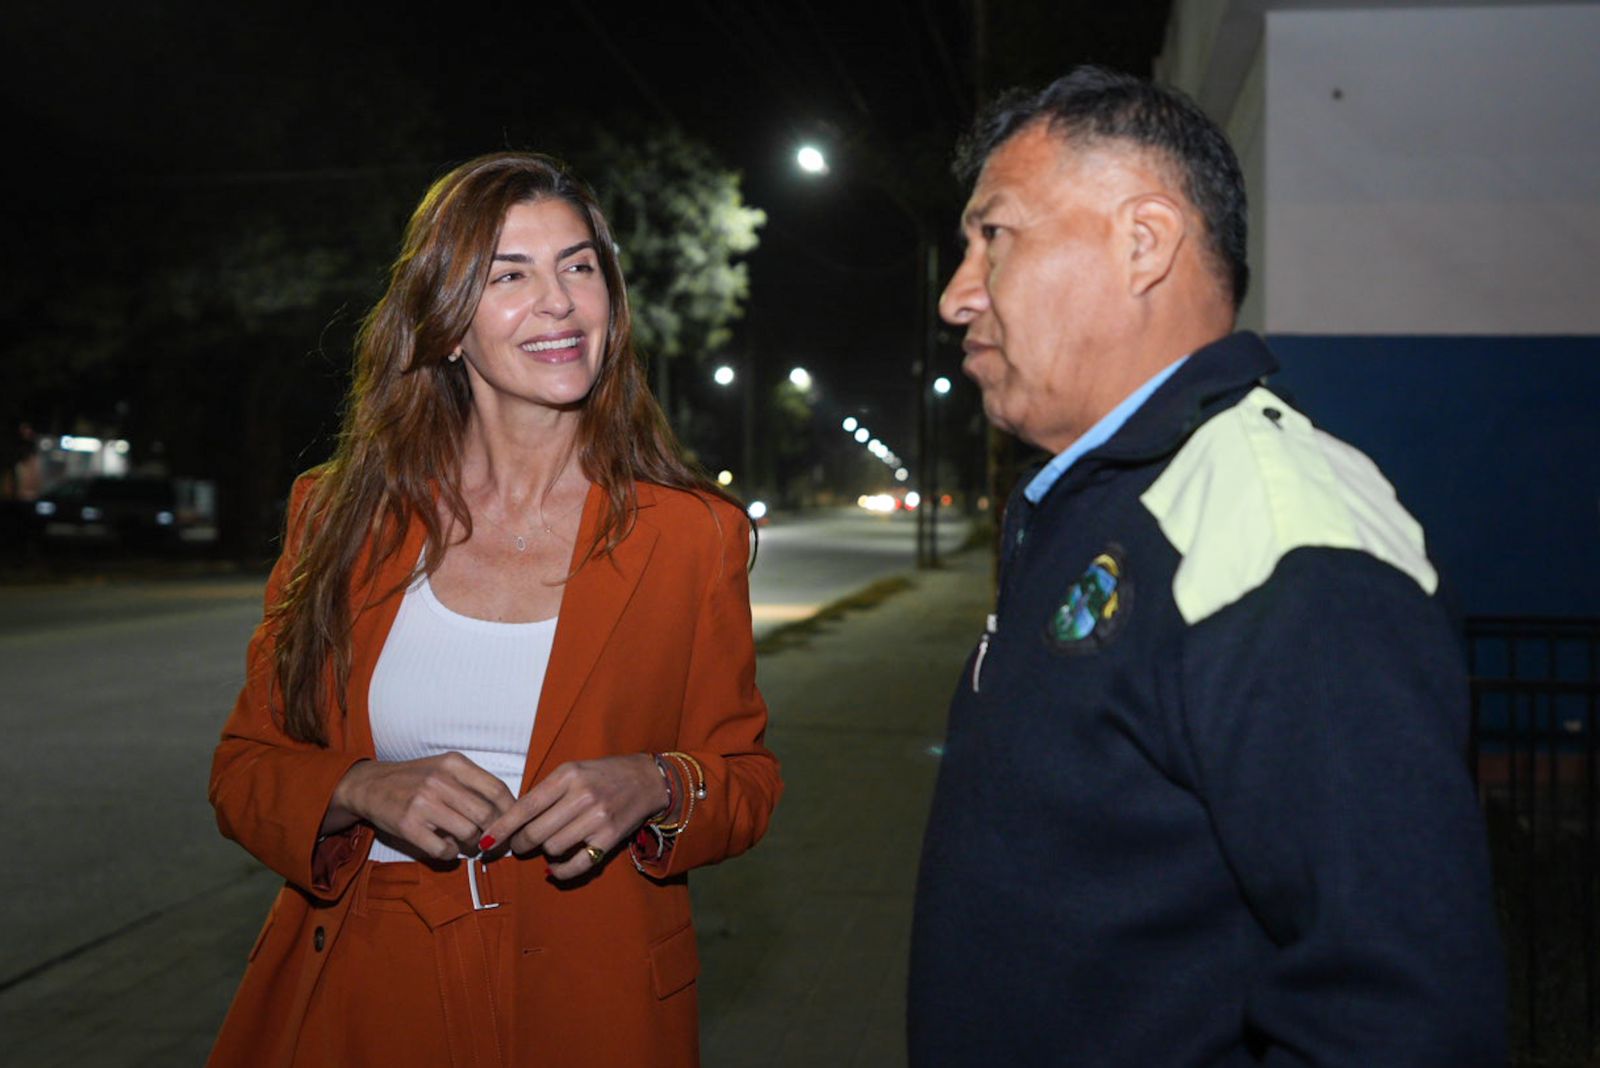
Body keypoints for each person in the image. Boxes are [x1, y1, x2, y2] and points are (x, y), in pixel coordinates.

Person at [908, 66, 1505, 1065]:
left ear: (1143, 243)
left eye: (994, 236)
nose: (957, 295)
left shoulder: (1281, 535)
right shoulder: (1107, 498)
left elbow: (1399, 1011)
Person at [208, 152, 781, 1068]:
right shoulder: (341, 514)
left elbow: (744, 780)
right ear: (445, 323)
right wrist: (355, 788)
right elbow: (245, 768)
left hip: (591, 994)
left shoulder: (692, 534)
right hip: (365, 984)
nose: (559, 302)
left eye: (579, 266)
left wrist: (658, 784)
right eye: (509, 275)